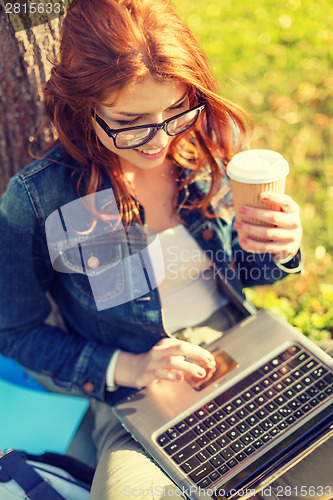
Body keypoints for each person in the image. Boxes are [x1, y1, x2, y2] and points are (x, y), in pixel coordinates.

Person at [0, 0, 331, 499]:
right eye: (132, 121)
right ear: (82, 103)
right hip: (139, 395)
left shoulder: (210, 144)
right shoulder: (38, 199)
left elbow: (251, 274)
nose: (159, 140)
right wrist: (128, 367)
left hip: (249, 348)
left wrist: (279, 247)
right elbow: (15, 331)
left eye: (176, 109)